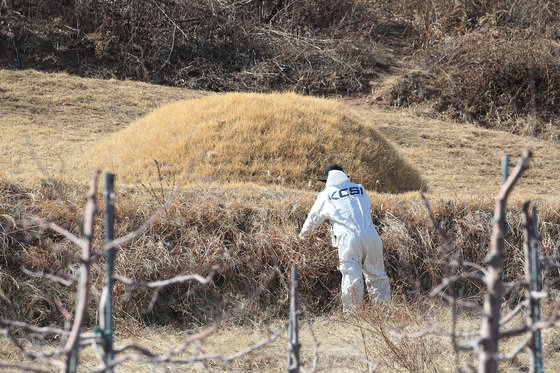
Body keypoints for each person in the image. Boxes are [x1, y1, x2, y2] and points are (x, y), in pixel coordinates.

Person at [299, 164, 391, 312]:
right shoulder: (360, 188)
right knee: (377, 275)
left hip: (348, 239)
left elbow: (313, 219)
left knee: (351, 278)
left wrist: (302, 237)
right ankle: (384, 311)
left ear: (327, 179)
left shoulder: (326, 194)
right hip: (371, 235)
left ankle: (353, 316)